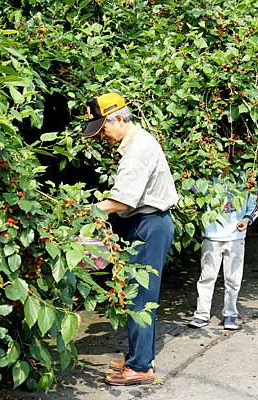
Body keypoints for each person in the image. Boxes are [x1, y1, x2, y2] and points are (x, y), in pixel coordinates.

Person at [83, 92, 178, 385]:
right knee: (134, 293)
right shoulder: (136, 144)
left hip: (149, 225)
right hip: (142, 223)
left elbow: (123, 201)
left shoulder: (138, 149)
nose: (102, 136)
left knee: (140, 297)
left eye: (104, 128)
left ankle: (141, 367)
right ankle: (137, 356)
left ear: (120, 119)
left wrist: (88, 211)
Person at [189, 172, 258, 331]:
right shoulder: (206, 176)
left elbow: (256, 201)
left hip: (235, 236)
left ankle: (230, 314)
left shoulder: (246, 176)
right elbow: (192, 189)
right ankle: (201, 314)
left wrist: (247, 219)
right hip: (211, 236)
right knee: (207, 277)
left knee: (233, 279)